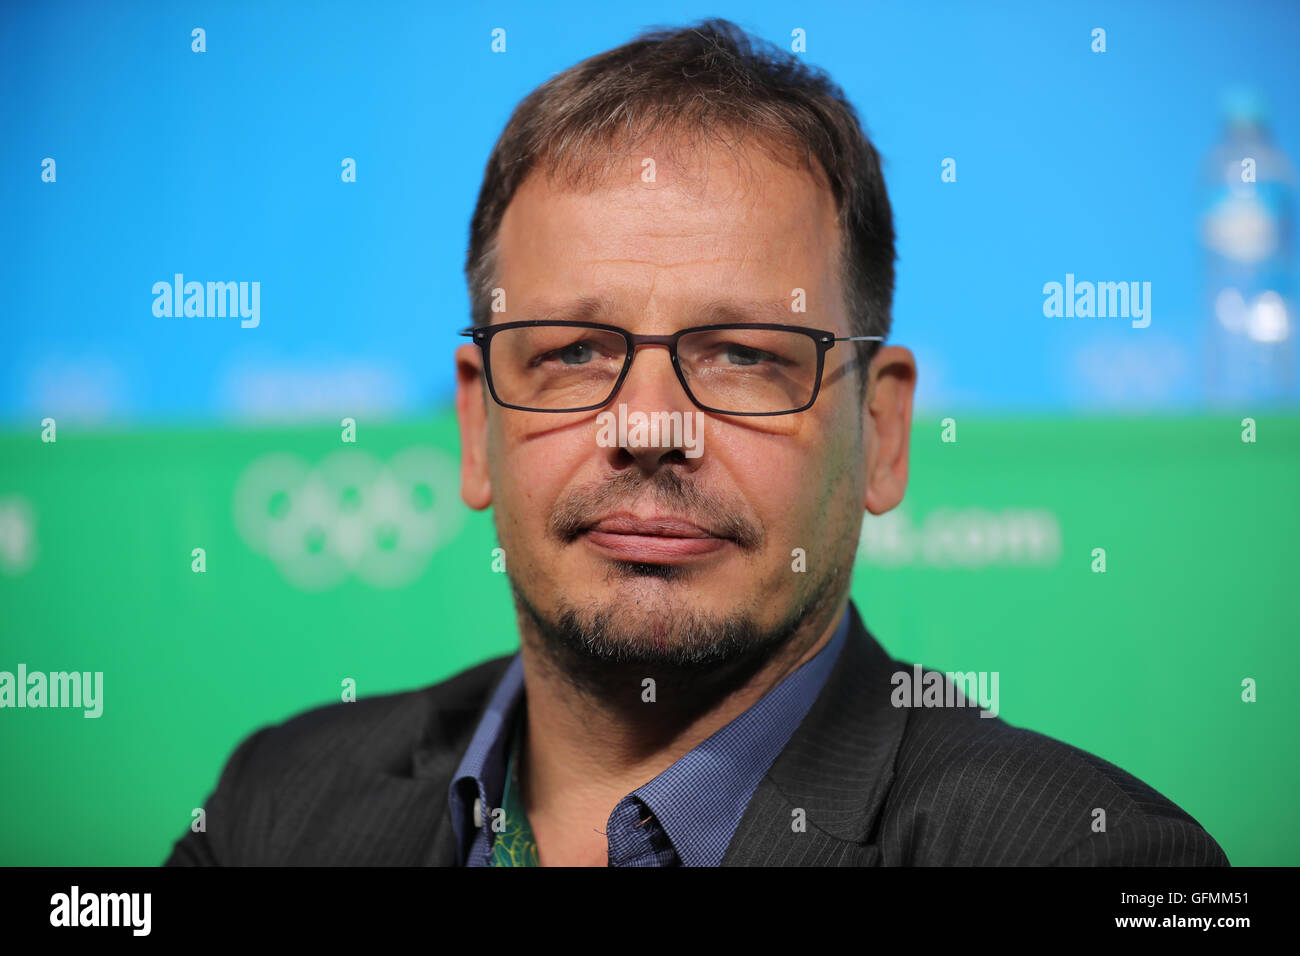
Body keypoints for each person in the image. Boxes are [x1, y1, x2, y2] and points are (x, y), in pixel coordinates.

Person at [165, 18, 1228, 867]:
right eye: (574, 351)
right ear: (477, 422)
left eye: (741, 355)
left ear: (881, 430)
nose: (648, 427)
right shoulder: (273, 811)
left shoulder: (1094, 858)